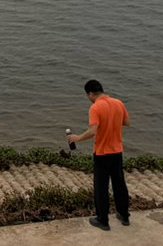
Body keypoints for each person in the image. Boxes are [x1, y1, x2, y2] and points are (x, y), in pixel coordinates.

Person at [67, 79, 130, 231]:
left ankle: (103, 220)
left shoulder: (96, 107)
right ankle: (124, 216)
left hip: (102, 153)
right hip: (117, 151)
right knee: (119, 184)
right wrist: (112, 122)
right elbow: (127, 122)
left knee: (101, 187)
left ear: (90, 94)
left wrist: (77, 138)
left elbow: (93, 131)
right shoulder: (118, 103)